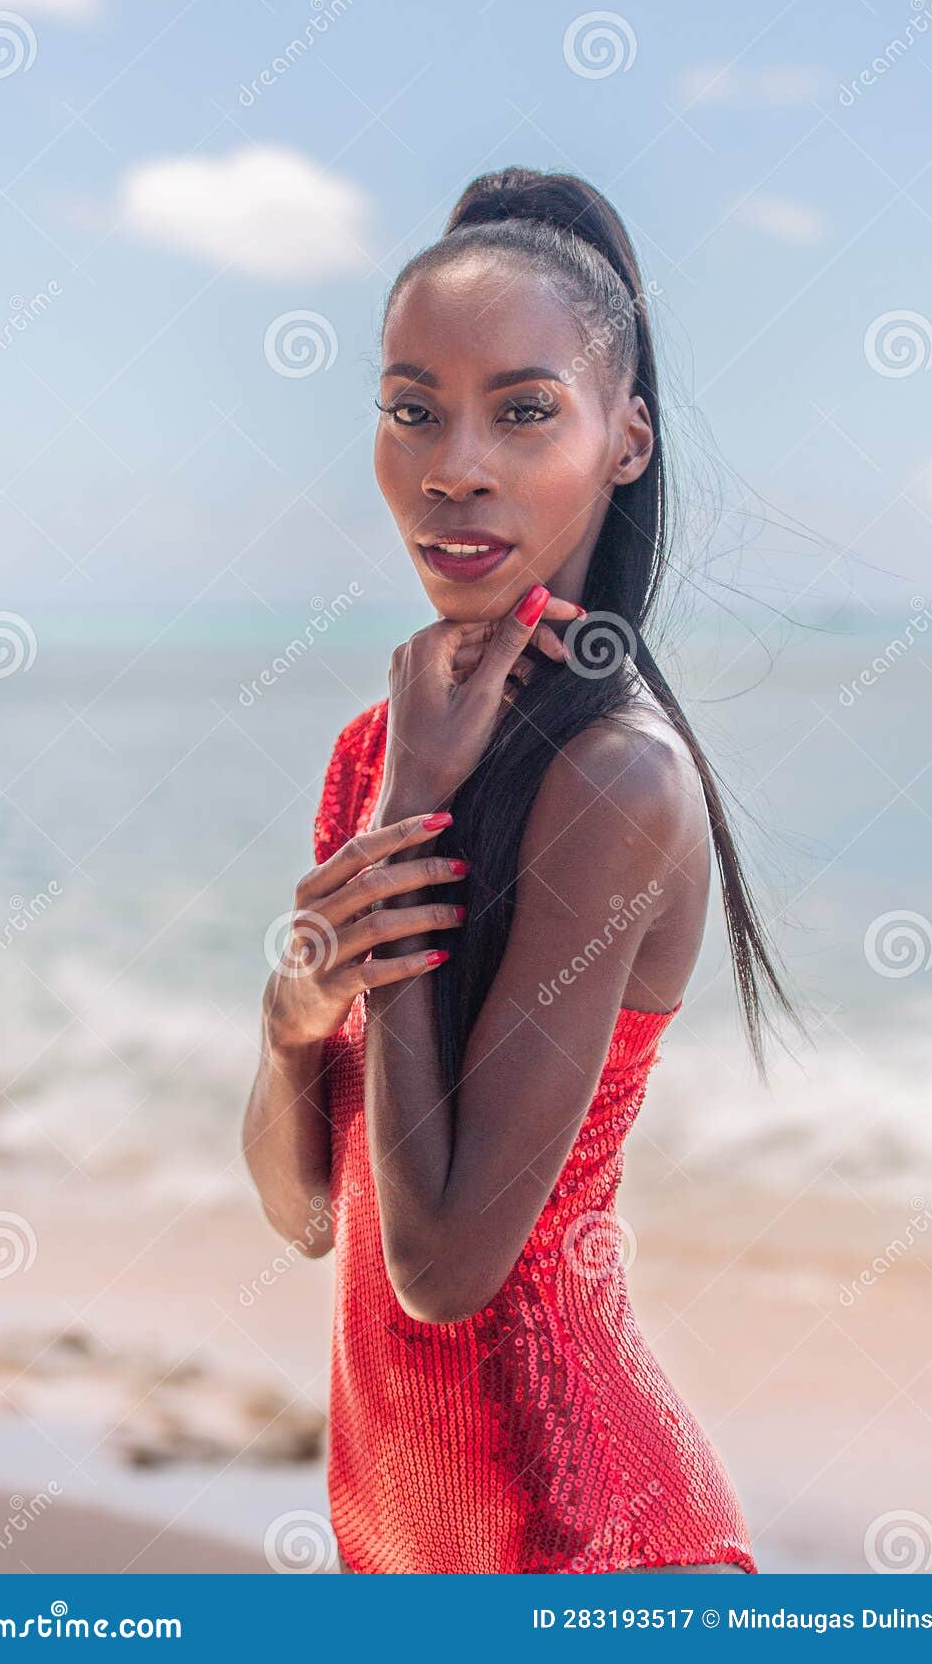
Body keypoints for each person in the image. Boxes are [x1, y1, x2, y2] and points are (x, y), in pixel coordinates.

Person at [243, 166, 805, 1575]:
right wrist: (289, 1017)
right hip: (393, 1520)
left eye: (524, 408)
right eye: (412, 406)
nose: (456, 465)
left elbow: (440, 1269)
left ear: (625, 439)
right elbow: (312, 1214)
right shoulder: (372, 744)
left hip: (580, 1543)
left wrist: (419, 803)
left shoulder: (615, 778)